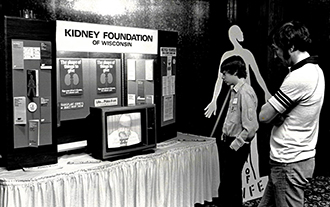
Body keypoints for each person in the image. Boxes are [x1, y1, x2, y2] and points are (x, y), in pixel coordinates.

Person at [258, 20, 325, 207]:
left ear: (292, 46)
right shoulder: (315, 70)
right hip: (291, 160)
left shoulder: (299, 76)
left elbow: (263, 116)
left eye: (277, 49)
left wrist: (273, 111)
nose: (275, 55)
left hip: (289, 163)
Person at [217, 55, 259, 207]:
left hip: (236, 145)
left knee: (230, 184)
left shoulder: (245, 92)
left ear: (235, 72)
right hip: (230, 142)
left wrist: (235, 145)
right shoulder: (234, 91)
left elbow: (251, 128)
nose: (222, 77)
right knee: (230, 184)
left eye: (225, 73)